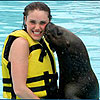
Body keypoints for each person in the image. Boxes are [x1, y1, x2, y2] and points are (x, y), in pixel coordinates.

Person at [2, 2, 58, 99]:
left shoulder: (44, 42)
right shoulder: (21, 43)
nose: (37, 28)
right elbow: (20, 90)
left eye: (42, 23)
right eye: (32, 22)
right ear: (25, 20)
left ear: (49, 22)